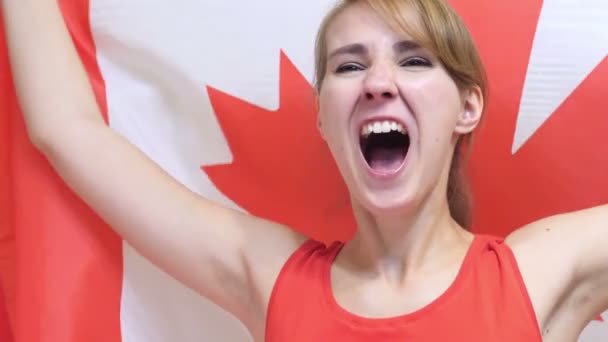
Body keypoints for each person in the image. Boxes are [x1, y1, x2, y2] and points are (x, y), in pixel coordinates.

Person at [2, 0, 607, 341]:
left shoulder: (536, 275)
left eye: (413, 60)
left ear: (466, 106)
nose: (376, 83)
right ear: (322, 117)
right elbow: (66, 128)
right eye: (348, 67)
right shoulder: (272, 278)